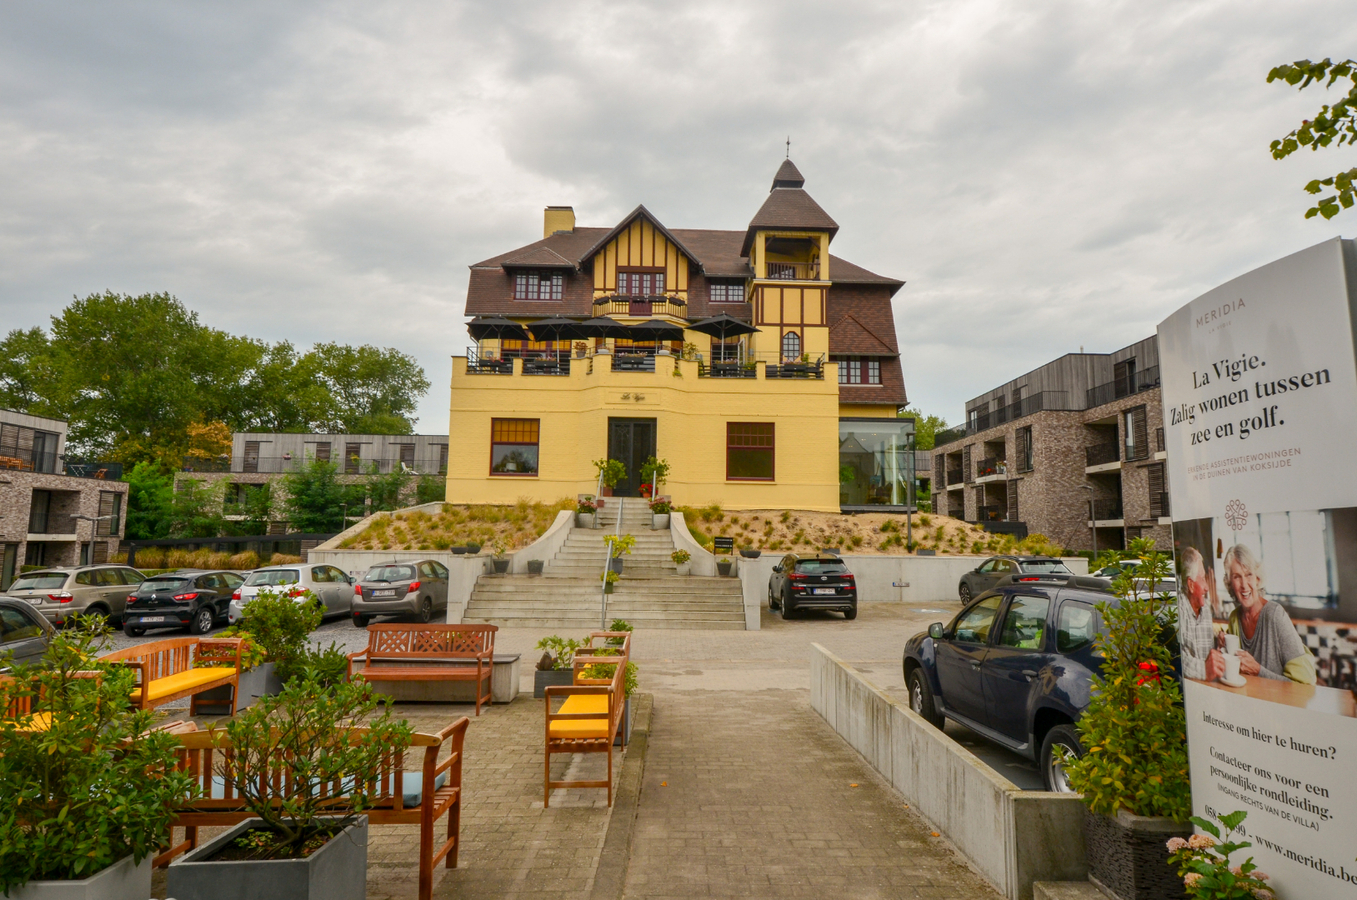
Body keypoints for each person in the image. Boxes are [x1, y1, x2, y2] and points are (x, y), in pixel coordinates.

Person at [1221, 544, 1316, 684]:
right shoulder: (1235, 618)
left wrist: (1259, 671)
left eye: (1249, 575)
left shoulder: (1275, 615)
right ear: (1230, 583)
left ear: (1257, 578)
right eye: (1236, 577)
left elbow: (1305, 685)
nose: (1244, 585)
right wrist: (1224, 649)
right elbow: (1238, 673)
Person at [1178, 546, 1225, 681]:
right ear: (1191, 585)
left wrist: (1218, 646)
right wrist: (1203, 670)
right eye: (1203, 578)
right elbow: (1175, 657)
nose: (1206, 587)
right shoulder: (1178, 609)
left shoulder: (1205, 610)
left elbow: (1206, 655)